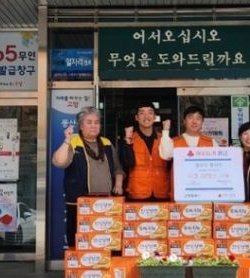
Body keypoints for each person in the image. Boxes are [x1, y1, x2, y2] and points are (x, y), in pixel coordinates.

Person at [52, 106, 125, 247]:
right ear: (81, 125)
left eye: (97, 122)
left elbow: (118, 168)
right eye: (89, 122)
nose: (94, 125)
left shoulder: (107, 143)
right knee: (79, 243)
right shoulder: (74, 142)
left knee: (104, 241)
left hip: (105, 203)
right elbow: (59, 162)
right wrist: (67, 140)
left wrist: (118, 184)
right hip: (79, 204)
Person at [118, 101, 170, 200]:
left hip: (161, 192)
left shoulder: (164, 139)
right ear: (136, 117)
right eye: (142, 113)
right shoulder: (129, 139)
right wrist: (127, 141)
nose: (146, 116)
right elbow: (127, 163)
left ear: (155, 117)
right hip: (137, 193)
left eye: (150, 113)